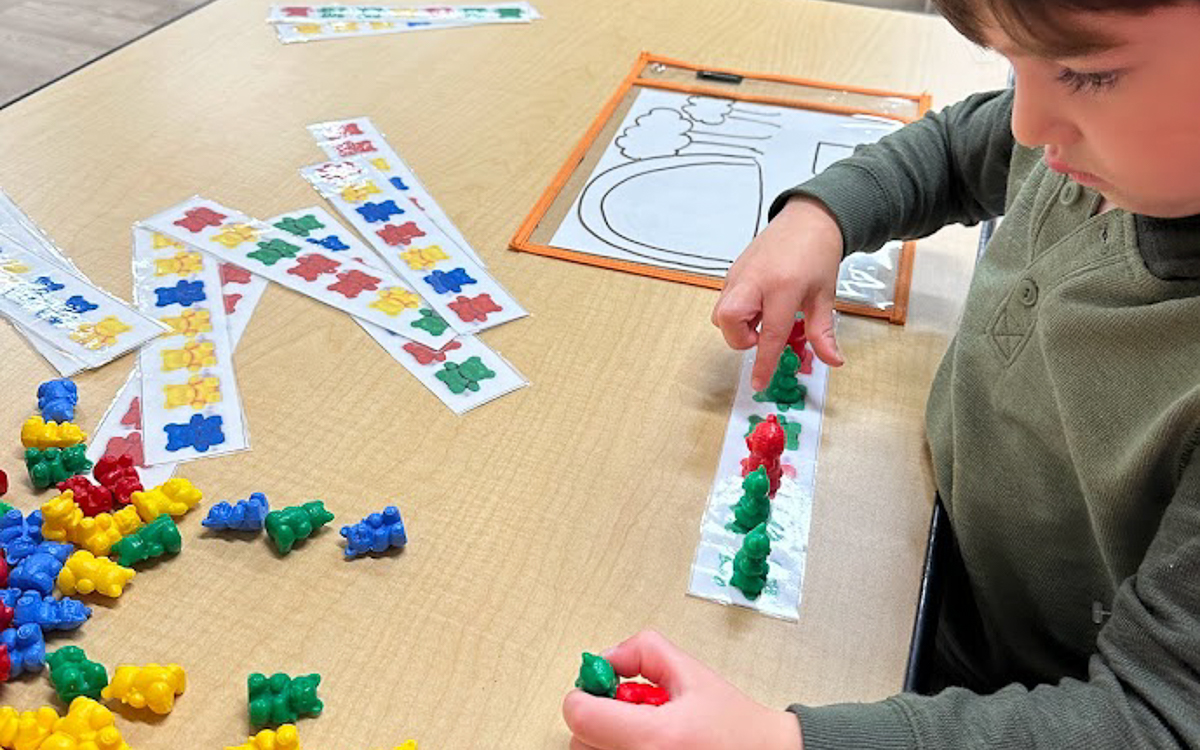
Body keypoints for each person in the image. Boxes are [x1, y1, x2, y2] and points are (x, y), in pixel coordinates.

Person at [563, 1, 1200, 747]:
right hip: (937, 559)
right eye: (1010, 61)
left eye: (1085, 74)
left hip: (1029, 689)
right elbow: (963, 147)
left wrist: (781, 743)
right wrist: (822, 218)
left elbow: (1150, 722)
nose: (1027, 124)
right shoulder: (1101, 145)